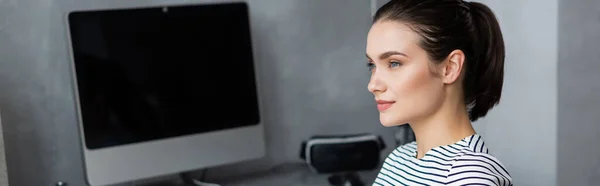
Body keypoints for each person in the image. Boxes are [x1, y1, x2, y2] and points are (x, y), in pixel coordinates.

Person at [366, 0, 512, 185]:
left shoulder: (469, 175)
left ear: (450, 68)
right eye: (372, 65)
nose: (373, 85)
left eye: (394, 63)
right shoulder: (398, 160)